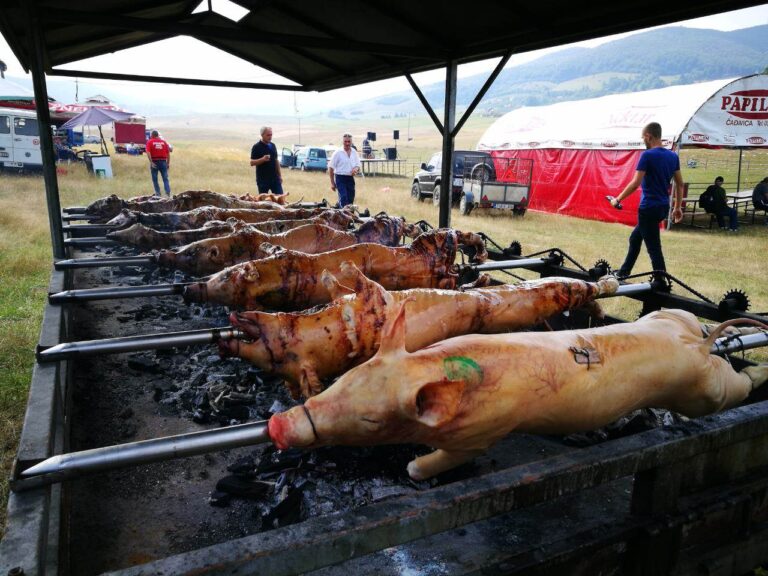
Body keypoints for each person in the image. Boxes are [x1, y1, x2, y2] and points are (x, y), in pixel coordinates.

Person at [610, 122, 683, 281]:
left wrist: (617, 199)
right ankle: (623, 272)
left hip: (648, 207)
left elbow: (635, 183)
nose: (643, 140)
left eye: (643, 138)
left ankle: (661, 280)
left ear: (649, 136)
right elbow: (680, 183)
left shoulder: (647, 155)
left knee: (653, 247)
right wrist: (677, 207)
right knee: (635, 238)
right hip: (663, 207)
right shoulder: (673, 156)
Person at [329, 133, 362, 207]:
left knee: (350, 199)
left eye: (349, 141)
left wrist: (356, 169)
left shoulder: (354, 152)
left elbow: (358, 165)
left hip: (350, 178)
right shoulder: (337, 153)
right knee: (343, 198)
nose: (347, 143)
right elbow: (331, 168)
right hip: (340, 178)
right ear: (342, 142)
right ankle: (343, 212)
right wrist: (332, 183)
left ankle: (343, 210)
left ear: (351, 142)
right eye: (345, 141)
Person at [250, 126, 283, 194]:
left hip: (275, 179)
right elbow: (252, 162)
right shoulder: (256, 147)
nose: (270, 137)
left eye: (271, 135)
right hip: (263, 180)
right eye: (268, 135)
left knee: (280, 198)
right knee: (263, 200)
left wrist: (280, 176)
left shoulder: (273, 145)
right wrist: (262, 159)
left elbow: (276, 161)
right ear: (262, 135)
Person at [146, 130, 172, 196]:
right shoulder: (164, 142)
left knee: (155, 179)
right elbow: (168, 153)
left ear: (152, 135)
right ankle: (168, 193)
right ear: (157, 135)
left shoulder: (149, 142)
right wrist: (168, 163)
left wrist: (151, 162)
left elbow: (148, 152)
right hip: (163, 162)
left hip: (155, 161)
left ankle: (158, 193)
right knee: (165, 178)